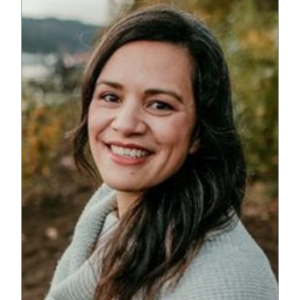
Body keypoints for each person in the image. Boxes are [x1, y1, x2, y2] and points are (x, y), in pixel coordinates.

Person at [44, 5, 278, 300]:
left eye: (160, 104)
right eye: (111, 97)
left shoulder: (224, 285)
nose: (126, 124)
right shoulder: (107, 211)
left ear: (200, 132)